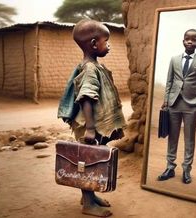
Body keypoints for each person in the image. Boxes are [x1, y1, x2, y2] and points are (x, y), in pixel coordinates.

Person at [58, 19, 126, 217]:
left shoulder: (94, 66)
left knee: (93, 161)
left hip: (94, 125)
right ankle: (88, 204)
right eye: (107, 40)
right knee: (87, 163)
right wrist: (90, 128)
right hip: (91, 125)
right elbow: (87, 97)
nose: (109, 45)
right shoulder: (90, 69)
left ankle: (91, 195)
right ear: (95, 44)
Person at [157, 29, 196, 184]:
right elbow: (169, 81)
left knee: (189, 138)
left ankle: (186, 170)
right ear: (183, 41)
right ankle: (170, 167)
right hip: (174, 103)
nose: (190, 42)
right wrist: (166, 100)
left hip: (192, 106)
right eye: (187, 39)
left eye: (194, 40)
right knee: (172, 137)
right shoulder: (174, 60)